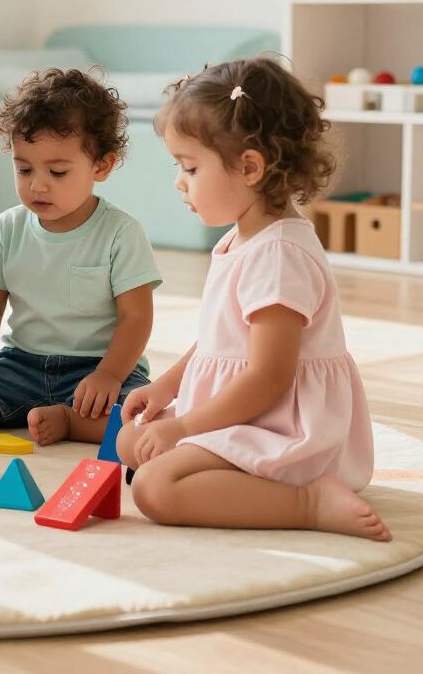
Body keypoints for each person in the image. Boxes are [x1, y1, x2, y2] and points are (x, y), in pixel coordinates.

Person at [117, 58, 390, 541]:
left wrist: (181, 430)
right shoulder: (243, 238)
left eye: (190, 167)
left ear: (249, 167)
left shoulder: (279, 254)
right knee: (131, 441)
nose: (179, 182)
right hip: (241, 410)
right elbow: (219, 341)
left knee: (154, 488)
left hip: (280, 424)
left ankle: (308, 501)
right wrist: (167, 388)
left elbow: (269, 377)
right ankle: (230, 474)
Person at [0, 68, 161, 446]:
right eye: (24, 169)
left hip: (98, 366)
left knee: (139, 420)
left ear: (101, 166)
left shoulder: (121, 233)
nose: (37, 184)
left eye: (57, 172)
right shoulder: (9, 227)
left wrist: (108, 374)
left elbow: (136, 318)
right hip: (22, 362)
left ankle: (70, 421)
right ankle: (12, 408)